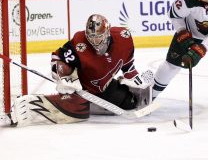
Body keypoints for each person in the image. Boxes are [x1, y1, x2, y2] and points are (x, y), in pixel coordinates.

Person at [3, 14, 153, 126]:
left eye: (98, 37)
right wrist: (65, 78)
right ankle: (33, 106)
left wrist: (133, 79)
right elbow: (58, 58)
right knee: (77, 110)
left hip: (104, 86)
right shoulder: (80, 43)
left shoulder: (123, 37)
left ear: (107, 33)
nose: (95, 42)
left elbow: (128, 66)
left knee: (130, 103)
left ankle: (88, 104)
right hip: (81, 88)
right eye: (91, 37)